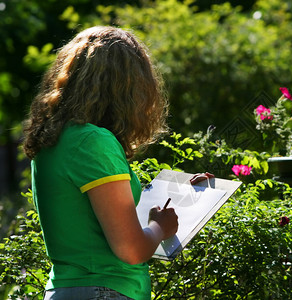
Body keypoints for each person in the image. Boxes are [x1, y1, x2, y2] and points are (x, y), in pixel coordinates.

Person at [22, 26, 179, 300]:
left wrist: (186, 190)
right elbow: (131, 249)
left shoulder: (53, 139)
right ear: (128, 88)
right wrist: (159, 227)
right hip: (104, 291)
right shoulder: (94, 141)